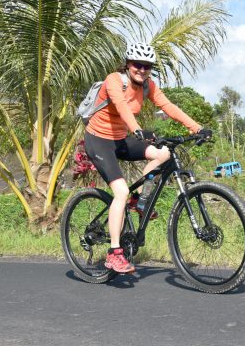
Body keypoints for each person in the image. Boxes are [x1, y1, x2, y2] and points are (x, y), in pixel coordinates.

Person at [84, 42, 212, 273]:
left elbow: (169, 106)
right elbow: (122, 107)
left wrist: (197, 128)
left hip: (122, 139)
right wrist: (137, 130)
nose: (142, 70)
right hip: (99, 140)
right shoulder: (114, 80)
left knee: (164, 153)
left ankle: (139, 201)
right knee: (121, 191)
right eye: (137, 65)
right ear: (127, 64)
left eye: (147, 66)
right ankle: (114, 253)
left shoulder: (148, 86)